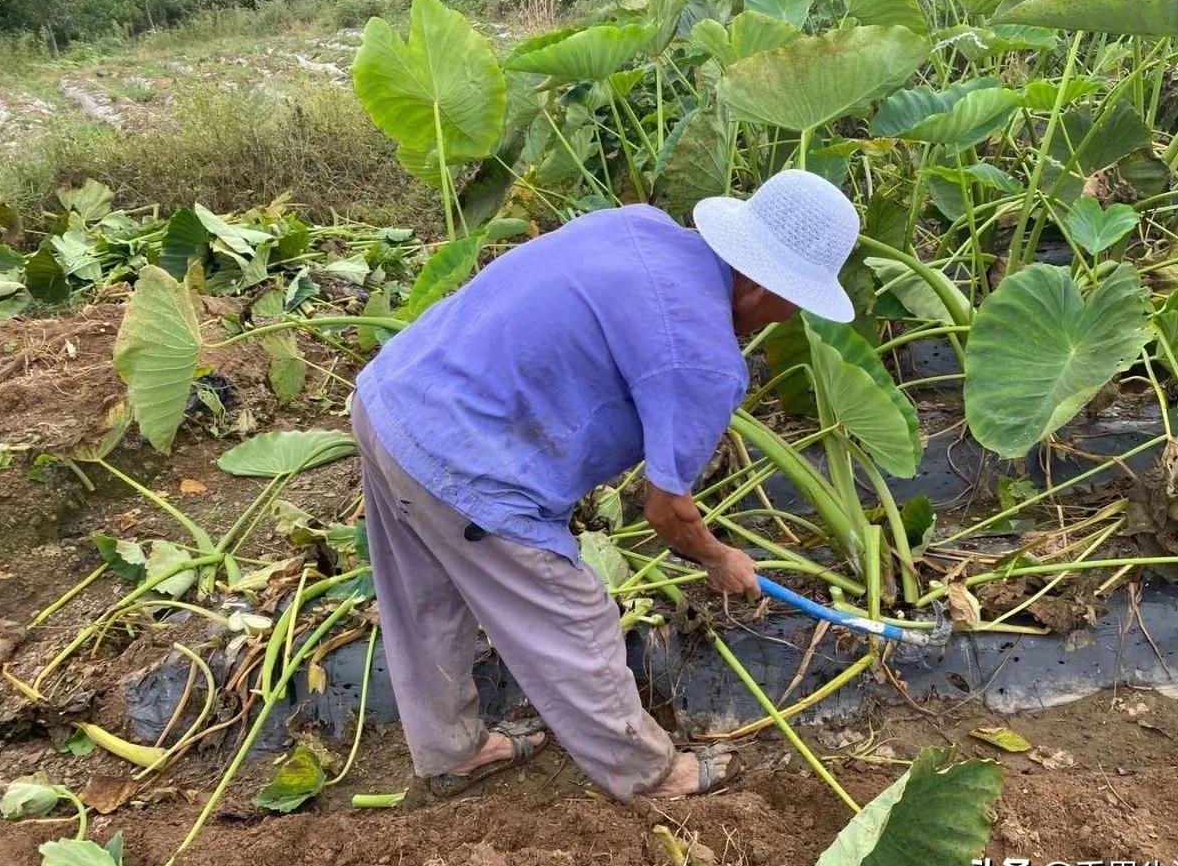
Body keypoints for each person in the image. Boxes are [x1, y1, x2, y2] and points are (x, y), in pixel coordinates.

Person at [352, 169, 861, 800]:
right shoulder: (705, 358)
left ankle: (452, 752)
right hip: (463, 457)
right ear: (762, 285)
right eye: (798, 300)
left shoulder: (638, 225)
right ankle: (650, 775)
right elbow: (667, 512)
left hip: (392, 396)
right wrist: (719, 557)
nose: (793, 317)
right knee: (576, 618)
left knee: (425, 595)